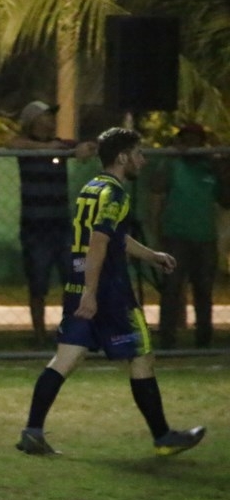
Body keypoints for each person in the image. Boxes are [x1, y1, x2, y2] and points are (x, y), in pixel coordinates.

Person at [16, 127, 205, 457]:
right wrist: (93, 293)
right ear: (122, 157)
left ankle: (32, 431)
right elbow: (100, 243)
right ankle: (163, 437)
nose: (142, 160)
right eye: (138, 154)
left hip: (78, 284)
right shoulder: (116, 194)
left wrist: (152, 255)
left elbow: (112, 236)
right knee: (141, 356)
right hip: (108, 290)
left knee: (66, 358)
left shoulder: (92, 188)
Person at [10, 101, 97, 345]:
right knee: (38, 283)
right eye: (45, 116)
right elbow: (12, 144)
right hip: (34, 227)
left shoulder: (62, 145)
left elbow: (87, 146)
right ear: (32, 121)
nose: (50, 121)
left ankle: (71, 331)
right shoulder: (26, 146)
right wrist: (46, 148)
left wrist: (83, 148)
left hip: (61, 225)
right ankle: (39, 335)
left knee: (73, 280)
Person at [150, 123, 226, 349]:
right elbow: (157, 186)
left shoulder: (209, 167)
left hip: (205, 237)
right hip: (176, 236)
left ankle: (204, 339)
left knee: (203, 290)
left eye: (196, 139)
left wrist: (219, 164)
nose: (191, 143)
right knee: (172, 289)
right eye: (187, 139)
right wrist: (170, 157)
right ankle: (167, 340)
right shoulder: (174, 163)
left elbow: (225, 199)